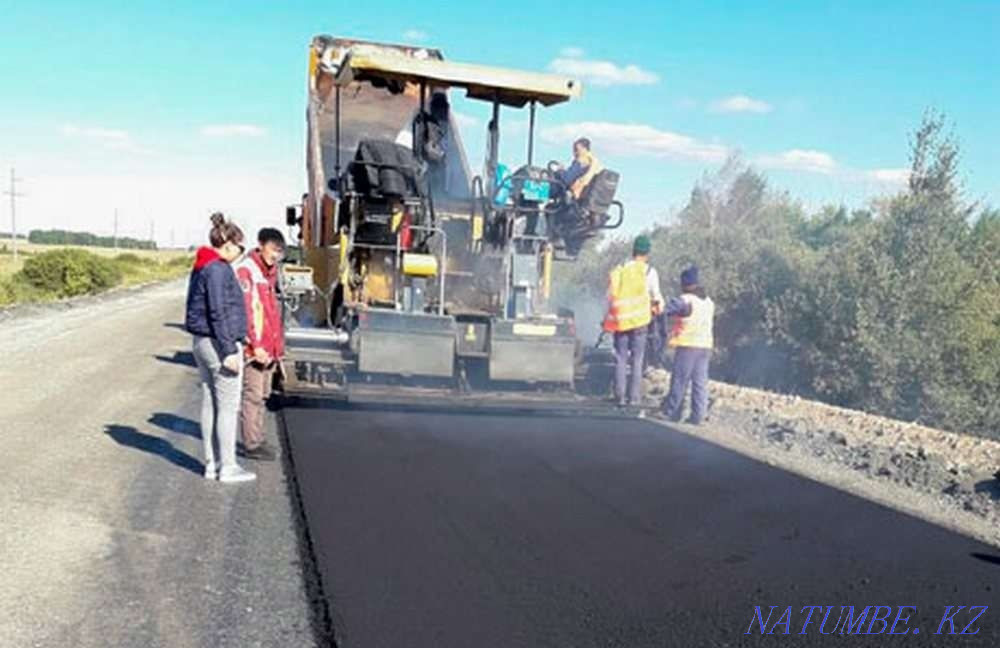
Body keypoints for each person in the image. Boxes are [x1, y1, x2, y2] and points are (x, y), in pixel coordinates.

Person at [185, 212, 256, 483]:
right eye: (240, 246)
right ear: (228, 243)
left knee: (210, 402)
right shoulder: (218, 269)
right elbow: (218, 311)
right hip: (217, 343)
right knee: (227, 406)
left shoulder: (202, 265)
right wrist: (228, 350)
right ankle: (228, 467)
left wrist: (241, 336)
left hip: (202, 342)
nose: (241, 251)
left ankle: (211, 464)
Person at [235, 228, 286, 461]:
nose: (276, 255)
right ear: (261, 245)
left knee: (263, 395)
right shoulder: (248, 271)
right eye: (273, 249)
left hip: (269, 347)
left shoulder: (269, 274)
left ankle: (258, 437)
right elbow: (247, 313)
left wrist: (277, 349)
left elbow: (272, 314)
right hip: (256, 349)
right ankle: (251, 444)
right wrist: (255, 345)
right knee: (253, 395)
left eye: (279, 251)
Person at [603, 235, 664, 407]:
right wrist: (658, 310)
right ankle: (634, 397)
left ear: (633, 251)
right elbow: (657, 296)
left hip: (621, 322)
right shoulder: (649, 272)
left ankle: (620, 396)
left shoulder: (620, 269)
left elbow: (609, 296)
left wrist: (606, 319)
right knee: (637, 360)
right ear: (647, 253)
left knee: (621, 358)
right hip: (640, 322)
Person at [661, 266, 715, 424]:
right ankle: (698, 416)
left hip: (688, 346)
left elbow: (664, 311)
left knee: (679, 380)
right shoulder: (708, 301)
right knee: (700, 383)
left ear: (684, 284)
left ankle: (672, 412)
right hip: (705, 346)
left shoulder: (685, 300)